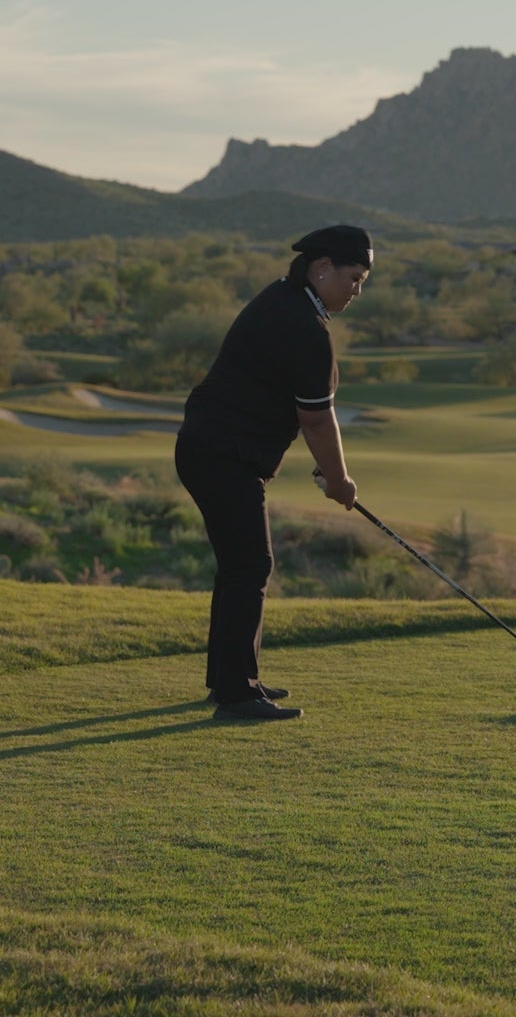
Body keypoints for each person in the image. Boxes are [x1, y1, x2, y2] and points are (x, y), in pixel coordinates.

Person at [175, 224, 370, 720]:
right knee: (250, 566)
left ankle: (231, 680)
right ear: (322, 267)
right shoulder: (306, 327)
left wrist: (328, 472)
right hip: (222, 456)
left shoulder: (284, 302)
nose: (357, 291)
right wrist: (341, 482)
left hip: (208, 448)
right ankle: (237, 693)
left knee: (239, 566)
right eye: (354, 277)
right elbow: (316, 418)